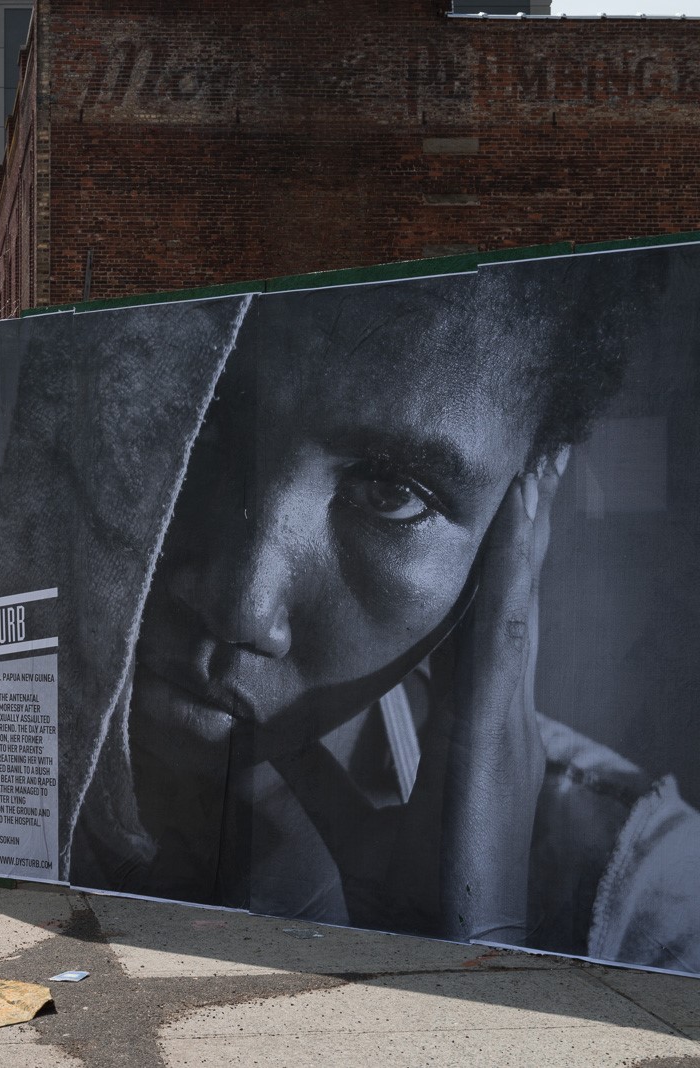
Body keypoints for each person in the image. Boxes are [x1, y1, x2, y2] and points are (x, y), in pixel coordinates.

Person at [65, 266, 700, 972]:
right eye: (204, 428)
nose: (241, 603)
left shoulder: (646, 899)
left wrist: (475, 941)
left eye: (393, 492)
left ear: (511, 535)